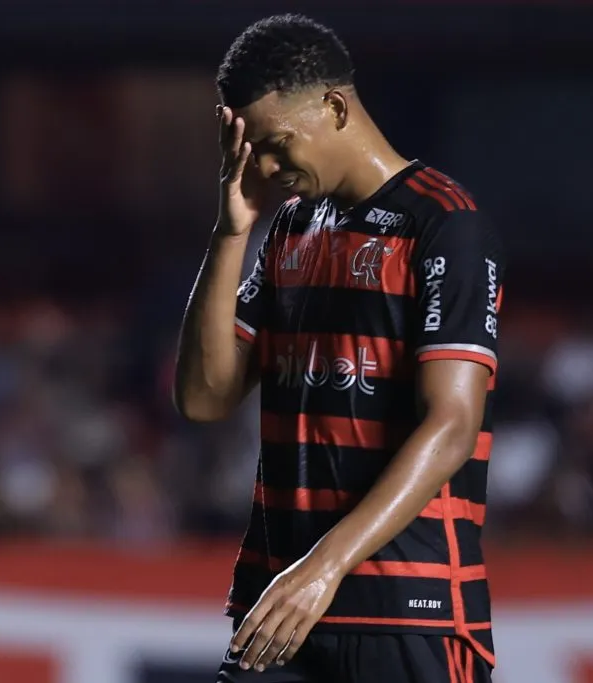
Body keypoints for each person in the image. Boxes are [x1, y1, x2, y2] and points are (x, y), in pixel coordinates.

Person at [173, 13, 504, 683]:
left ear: (334, 105)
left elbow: (451, 426)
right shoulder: (288, 229)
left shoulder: (444, 223)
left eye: (276, 144)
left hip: (406, 606)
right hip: (279, 602)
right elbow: (204, 397)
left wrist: (324, 566)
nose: (265, 167)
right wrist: (230, 232)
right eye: (250, 151)